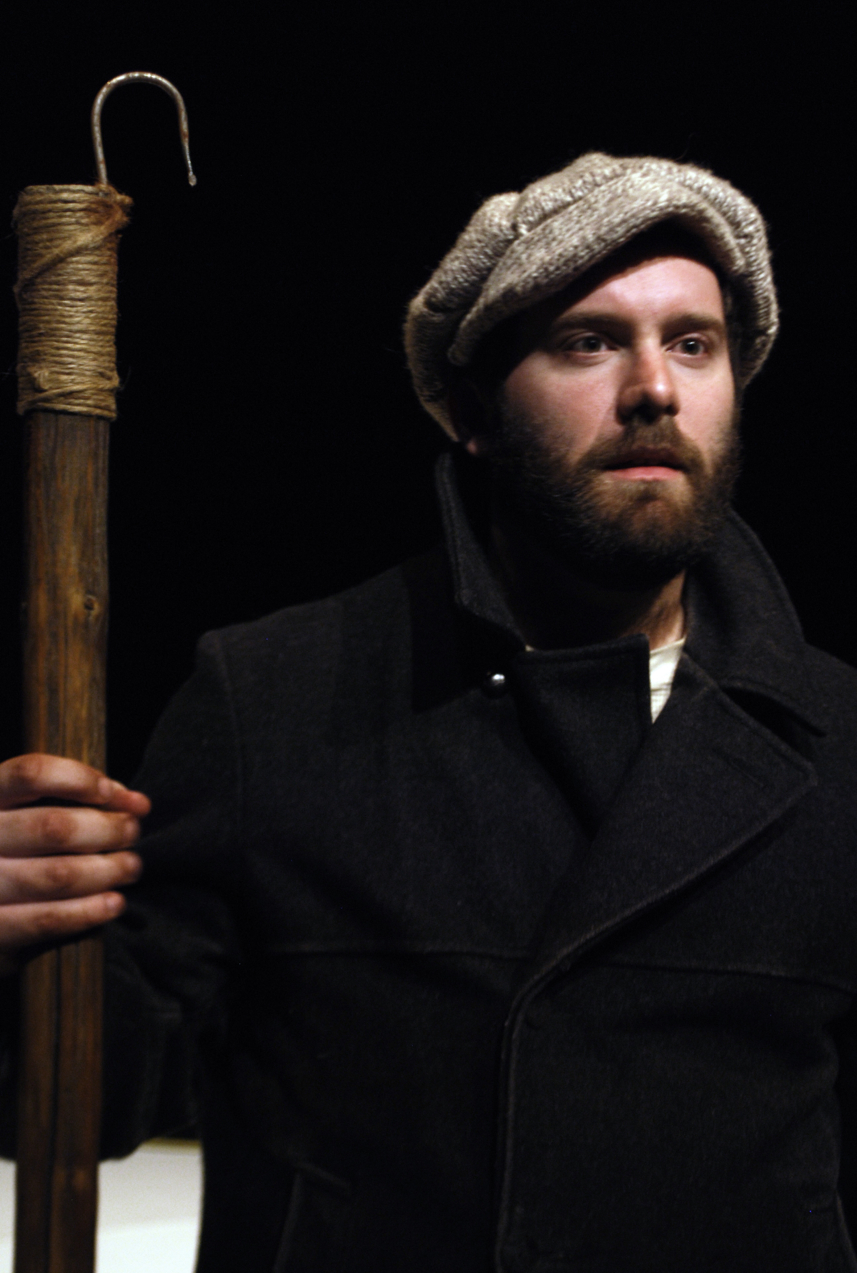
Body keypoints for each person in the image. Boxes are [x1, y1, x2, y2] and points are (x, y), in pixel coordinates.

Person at [2, 152, 857, 1272]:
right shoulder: (279, 698)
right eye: (587, 342)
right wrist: (16, 952)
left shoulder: (836, 741)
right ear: (470, 410)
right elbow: (87, 1096)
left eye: (692, 343)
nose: (654, 387)